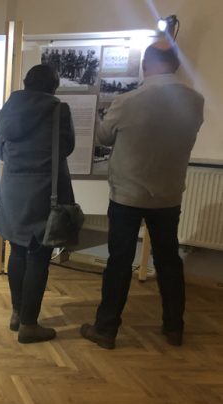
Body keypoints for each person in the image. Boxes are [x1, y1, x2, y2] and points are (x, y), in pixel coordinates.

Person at [81, 41, 204, 350]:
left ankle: (106, 329)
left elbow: (104, 136)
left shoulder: (128, 101)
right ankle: (174, 328)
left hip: (127, 196)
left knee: (119, 262)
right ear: (176, 64)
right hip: (168, 195)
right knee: (169, 261)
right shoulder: (195, 100)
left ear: (146, 64)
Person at [0, 64, 76, 344]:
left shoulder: (8, 111)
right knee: (39, 256)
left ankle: (17, 314)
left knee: (17, 251)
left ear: (26, 83)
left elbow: (1, 152)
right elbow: (66, 147)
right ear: (53, 87)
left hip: (13, 191)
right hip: (44, 192)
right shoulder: (59, 111)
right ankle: (29, 324)